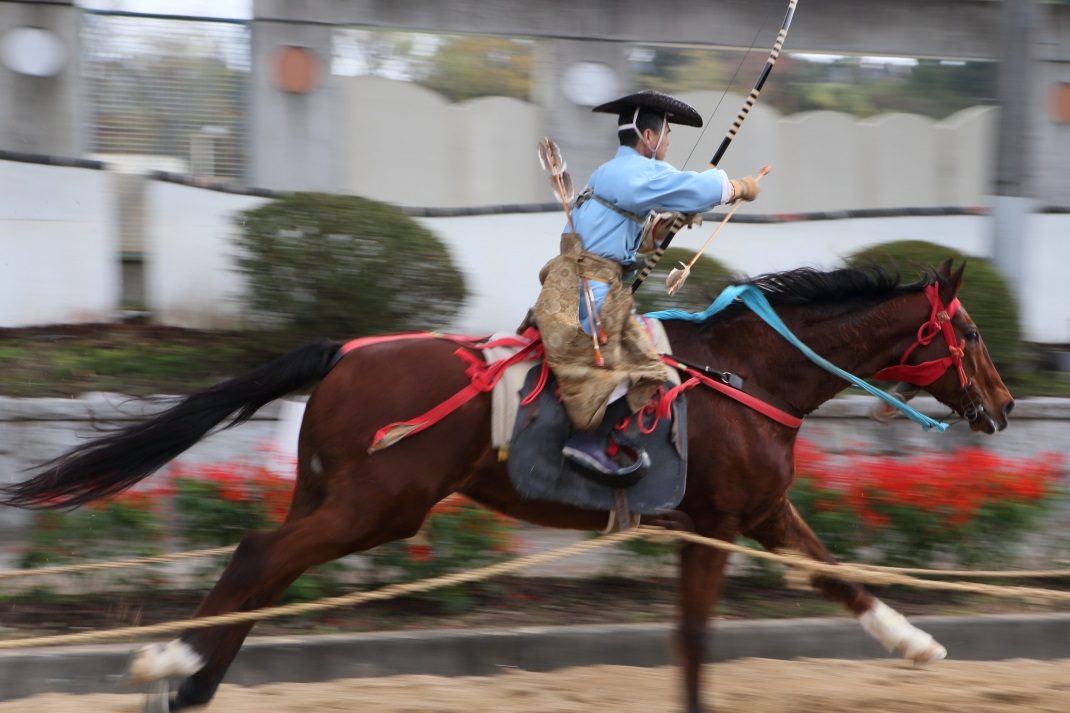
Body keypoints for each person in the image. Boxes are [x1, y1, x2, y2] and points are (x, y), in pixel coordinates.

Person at [531, 90, 762, 480]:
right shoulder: (634, 172)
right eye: (667, 132)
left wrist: (657, 232)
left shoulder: (612, 174)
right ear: (649, 137)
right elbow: (696, 188)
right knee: (648, 369)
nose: (669, 141)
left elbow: (618, 238)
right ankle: (586, 440)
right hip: (592, 294)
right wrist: (738, 187)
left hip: (583, 285)